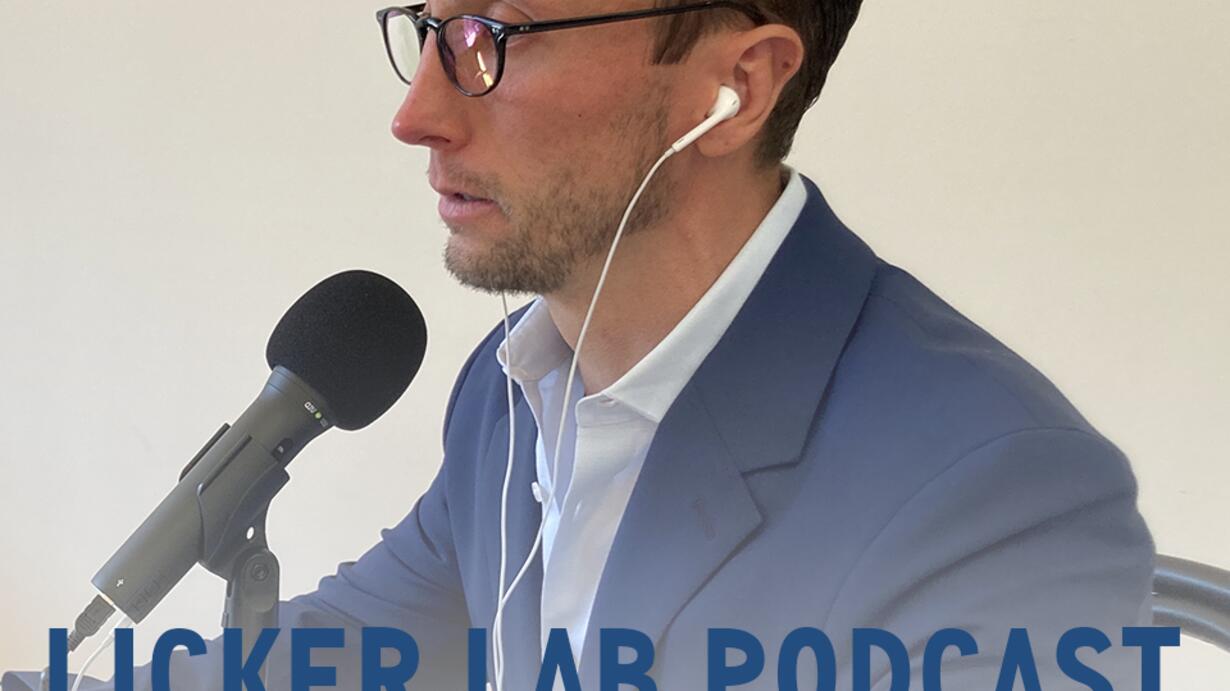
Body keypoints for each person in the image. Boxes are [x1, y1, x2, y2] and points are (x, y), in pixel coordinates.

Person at [4, 0, 1155, 689]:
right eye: (429, 29)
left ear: (737, 86)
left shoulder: (1001, 497)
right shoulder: (515, 385)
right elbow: (360, 642)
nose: (417, 114)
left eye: (494, 35)